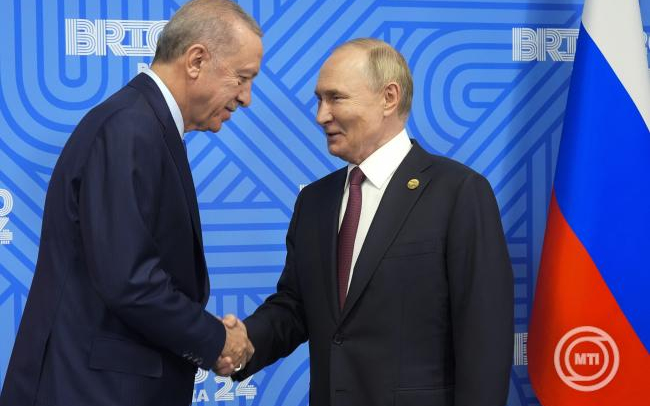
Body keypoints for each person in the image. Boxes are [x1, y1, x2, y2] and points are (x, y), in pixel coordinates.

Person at [227, 38, 514, 406]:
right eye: (319, 100)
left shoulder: (458, 193)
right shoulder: (314, 201)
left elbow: (484, 337)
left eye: (336, 98)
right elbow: (295, 307)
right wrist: (242, 342)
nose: (321, 116)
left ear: (389, 98)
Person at [0, 1, 260, 405]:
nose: (246, 98)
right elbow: (130, 281)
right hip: (90, 391)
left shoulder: (143, 124)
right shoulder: (130, 127)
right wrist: (215, 340)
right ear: (196, 61)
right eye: (241, 78)